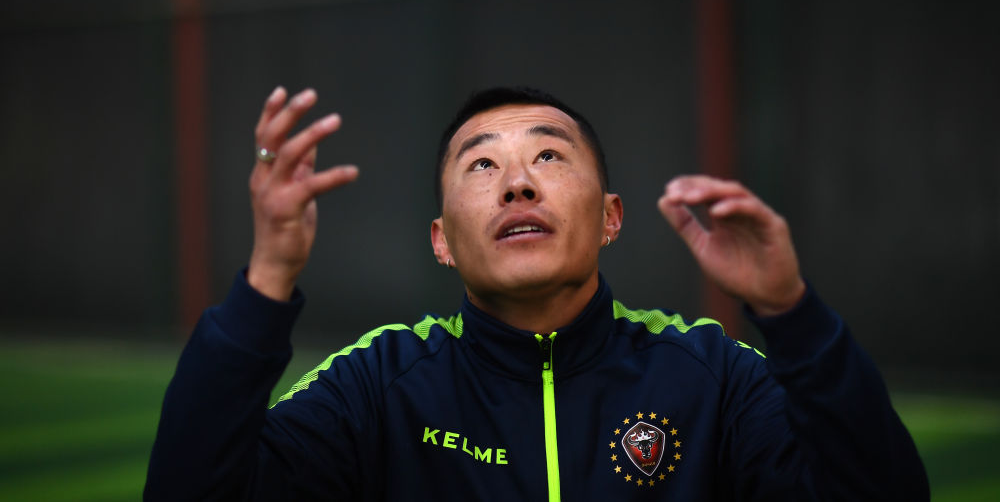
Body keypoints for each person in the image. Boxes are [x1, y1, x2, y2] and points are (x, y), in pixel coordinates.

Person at [145, 85, 928, 501]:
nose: (517, 182)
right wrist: (267, 278)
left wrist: (792, 314)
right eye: (482, 164)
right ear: (442, 240)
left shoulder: (712, 376)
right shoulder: (378, 387)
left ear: (611, 217)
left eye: (549, 156)